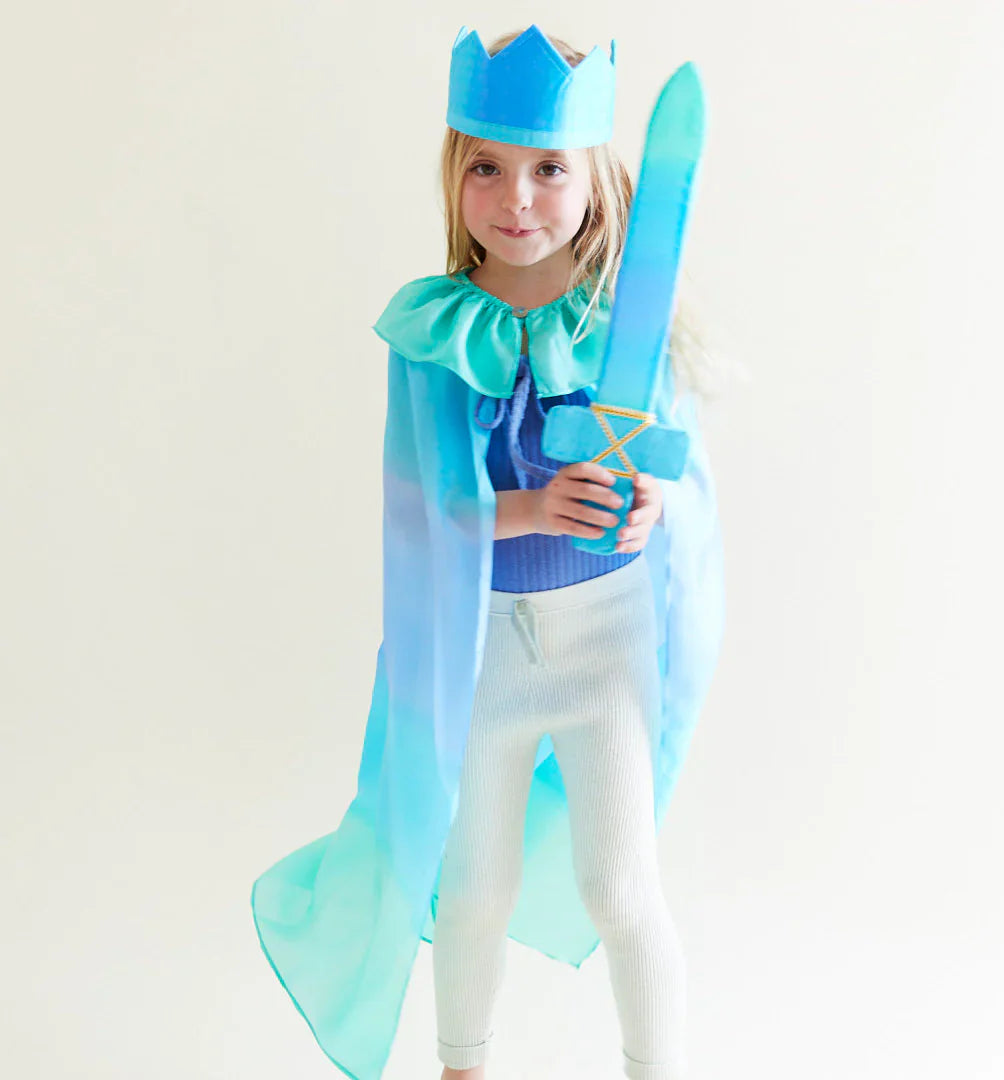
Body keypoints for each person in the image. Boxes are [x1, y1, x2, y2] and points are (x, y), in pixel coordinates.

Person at [251, 24, 725, 1080]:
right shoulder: (433, 338)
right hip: (486, 651)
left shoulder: (623, 330)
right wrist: (533, 507)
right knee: (471, 886)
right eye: (488, 168)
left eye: (549, 169)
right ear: (454, 177)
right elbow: (421, 510)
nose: (517, 199)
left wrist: (644, 505)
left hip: (608, 641)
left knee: (622, 887)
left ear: (595, 182)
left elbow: (679, 483)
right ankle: (463, 1065)